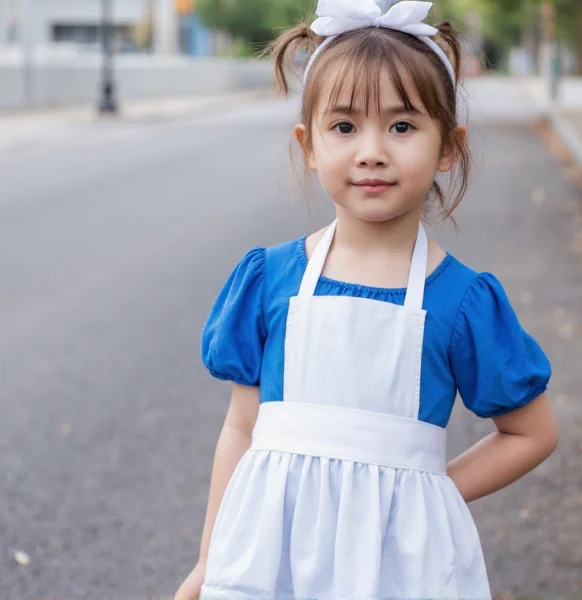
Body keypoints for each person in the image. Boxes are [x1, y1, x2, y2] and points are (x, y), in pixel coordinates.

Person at [175, 1, 559, 598]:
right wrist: (208, 563)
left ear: (448, 147)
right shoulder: (269, 279)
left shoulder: (460, 301)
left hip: (403, 570)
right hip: (269, 564)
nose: (372, 151)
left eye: (402, 127)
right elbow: (242, 427)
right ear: (309, 143)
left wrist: (426, 494)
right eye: (345, 126)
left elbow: (532, 432)